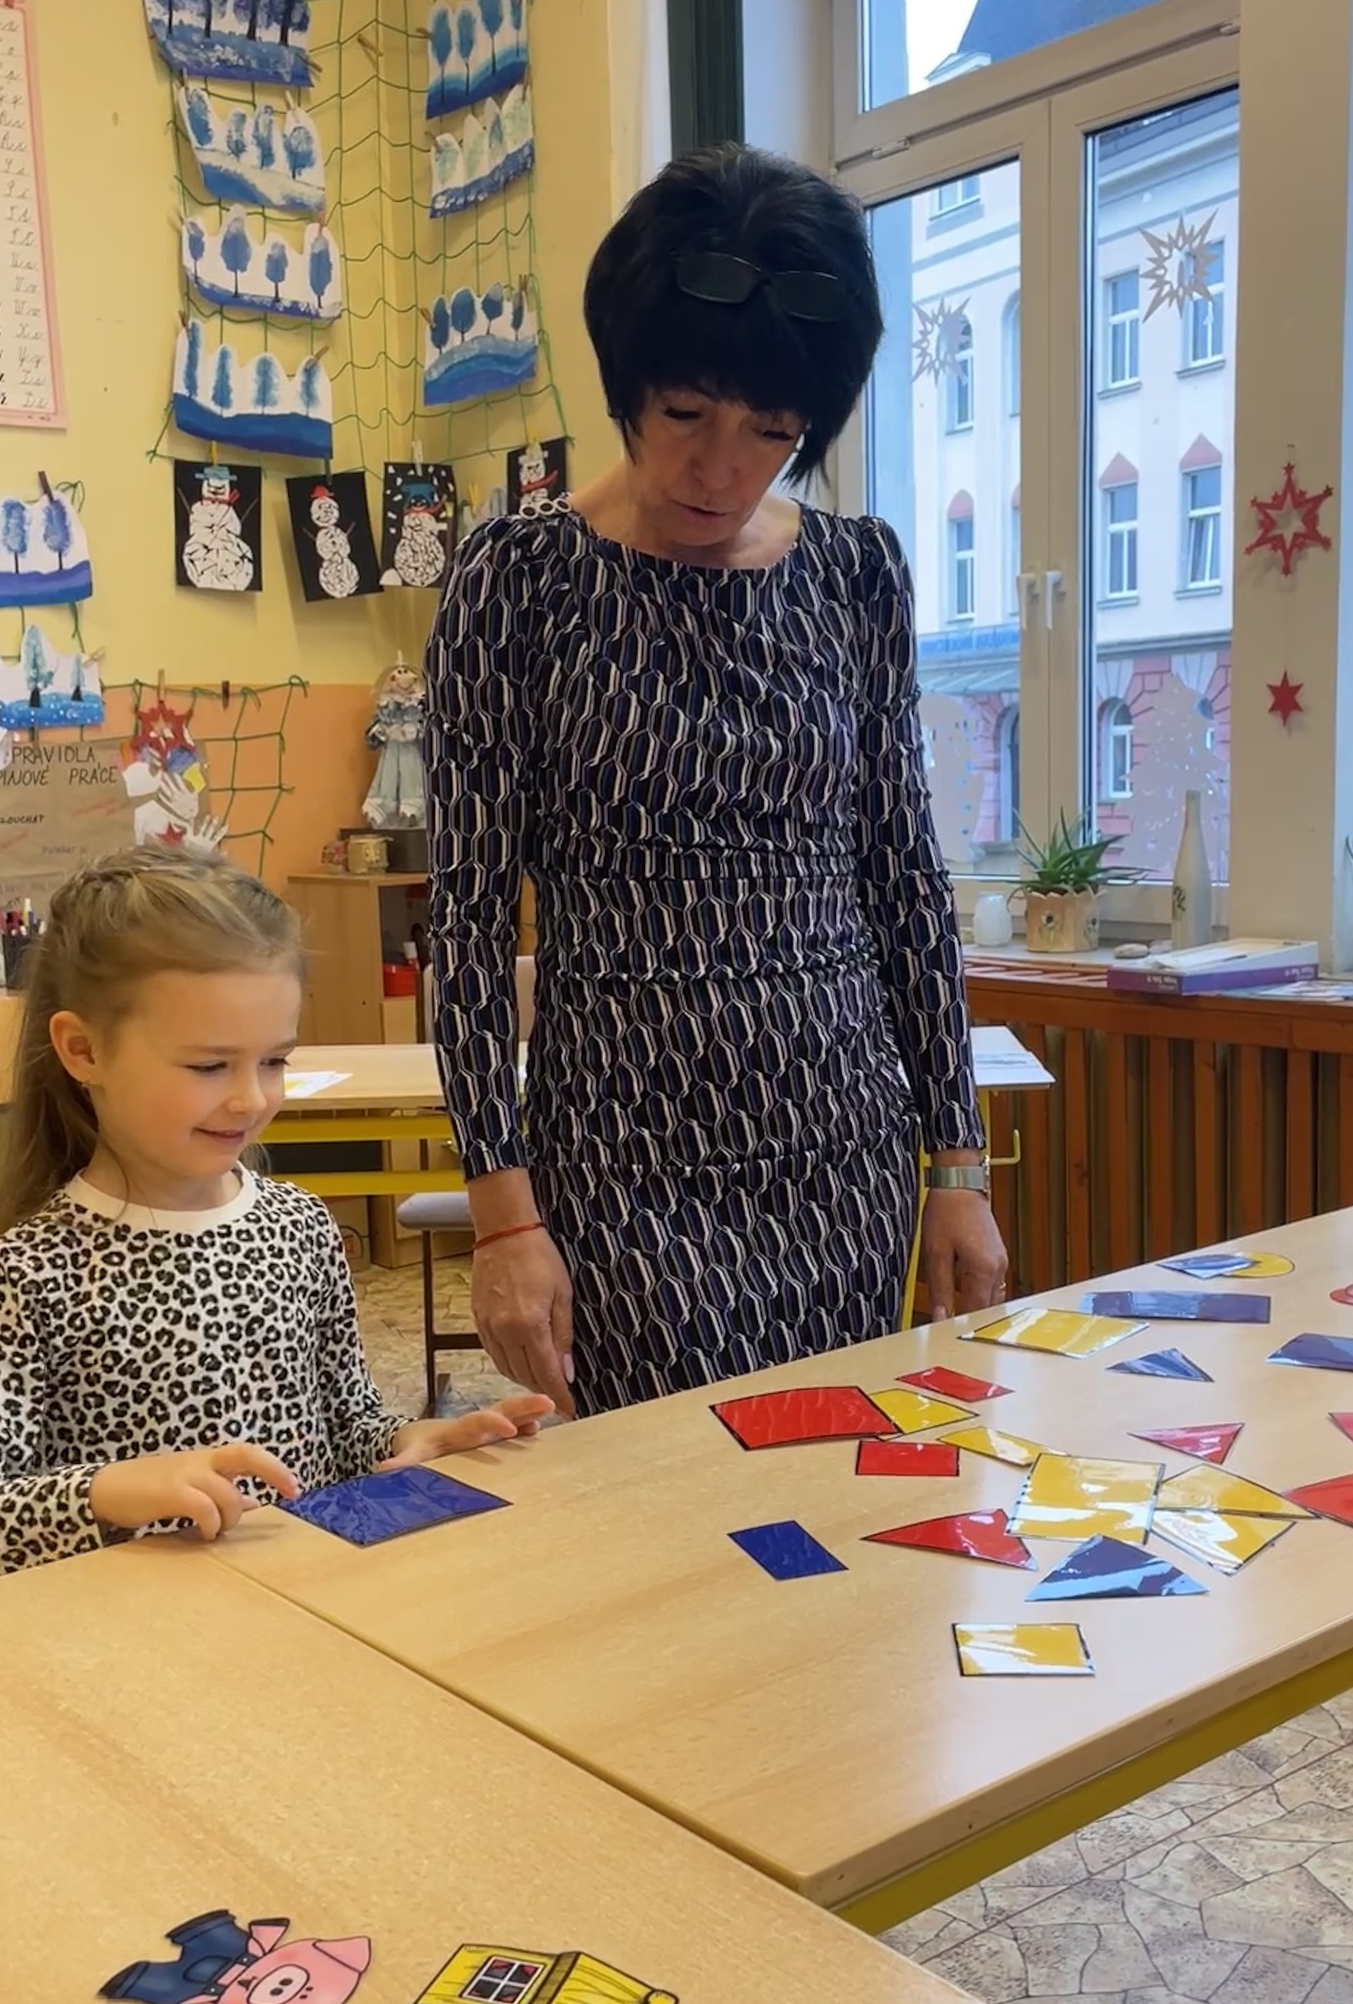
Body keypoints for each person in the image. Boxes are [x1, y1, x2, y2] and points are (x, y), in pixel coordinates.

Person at [426, 142, 1008, 1421]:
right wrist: (501, 1213)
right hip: (618, 1153)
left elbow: (906, 880)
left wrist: (957, 1163)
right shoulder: (514, 580)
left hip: (839, 1142)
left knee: (834, 1472)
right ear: (628, 383)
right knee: (656, 1496)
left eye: (774, 434)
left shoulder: (858, 574)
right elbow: (463, 919)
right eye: (688, 414)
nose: (722, 469)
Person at [0, 845, 547, 1597]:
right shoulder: (26, 1272)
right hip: (139, 1636)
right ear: (83, 1049)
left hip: (312, 1614)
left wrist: (409, 1442)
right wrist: (105, 1492)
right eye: (208, 1066)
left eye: (274, 1061)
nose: (250, 1099)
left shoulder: (299, 1228)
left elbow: (346, 1427)